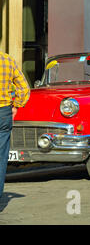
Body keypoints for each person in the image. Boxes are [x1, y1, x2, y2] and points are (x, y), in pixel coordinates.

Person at [0, 52, 30, 199]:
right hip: (3, 112)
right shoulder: (7, 60)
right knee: (0, 157)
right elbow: (24, 89)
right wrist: (16, 106)